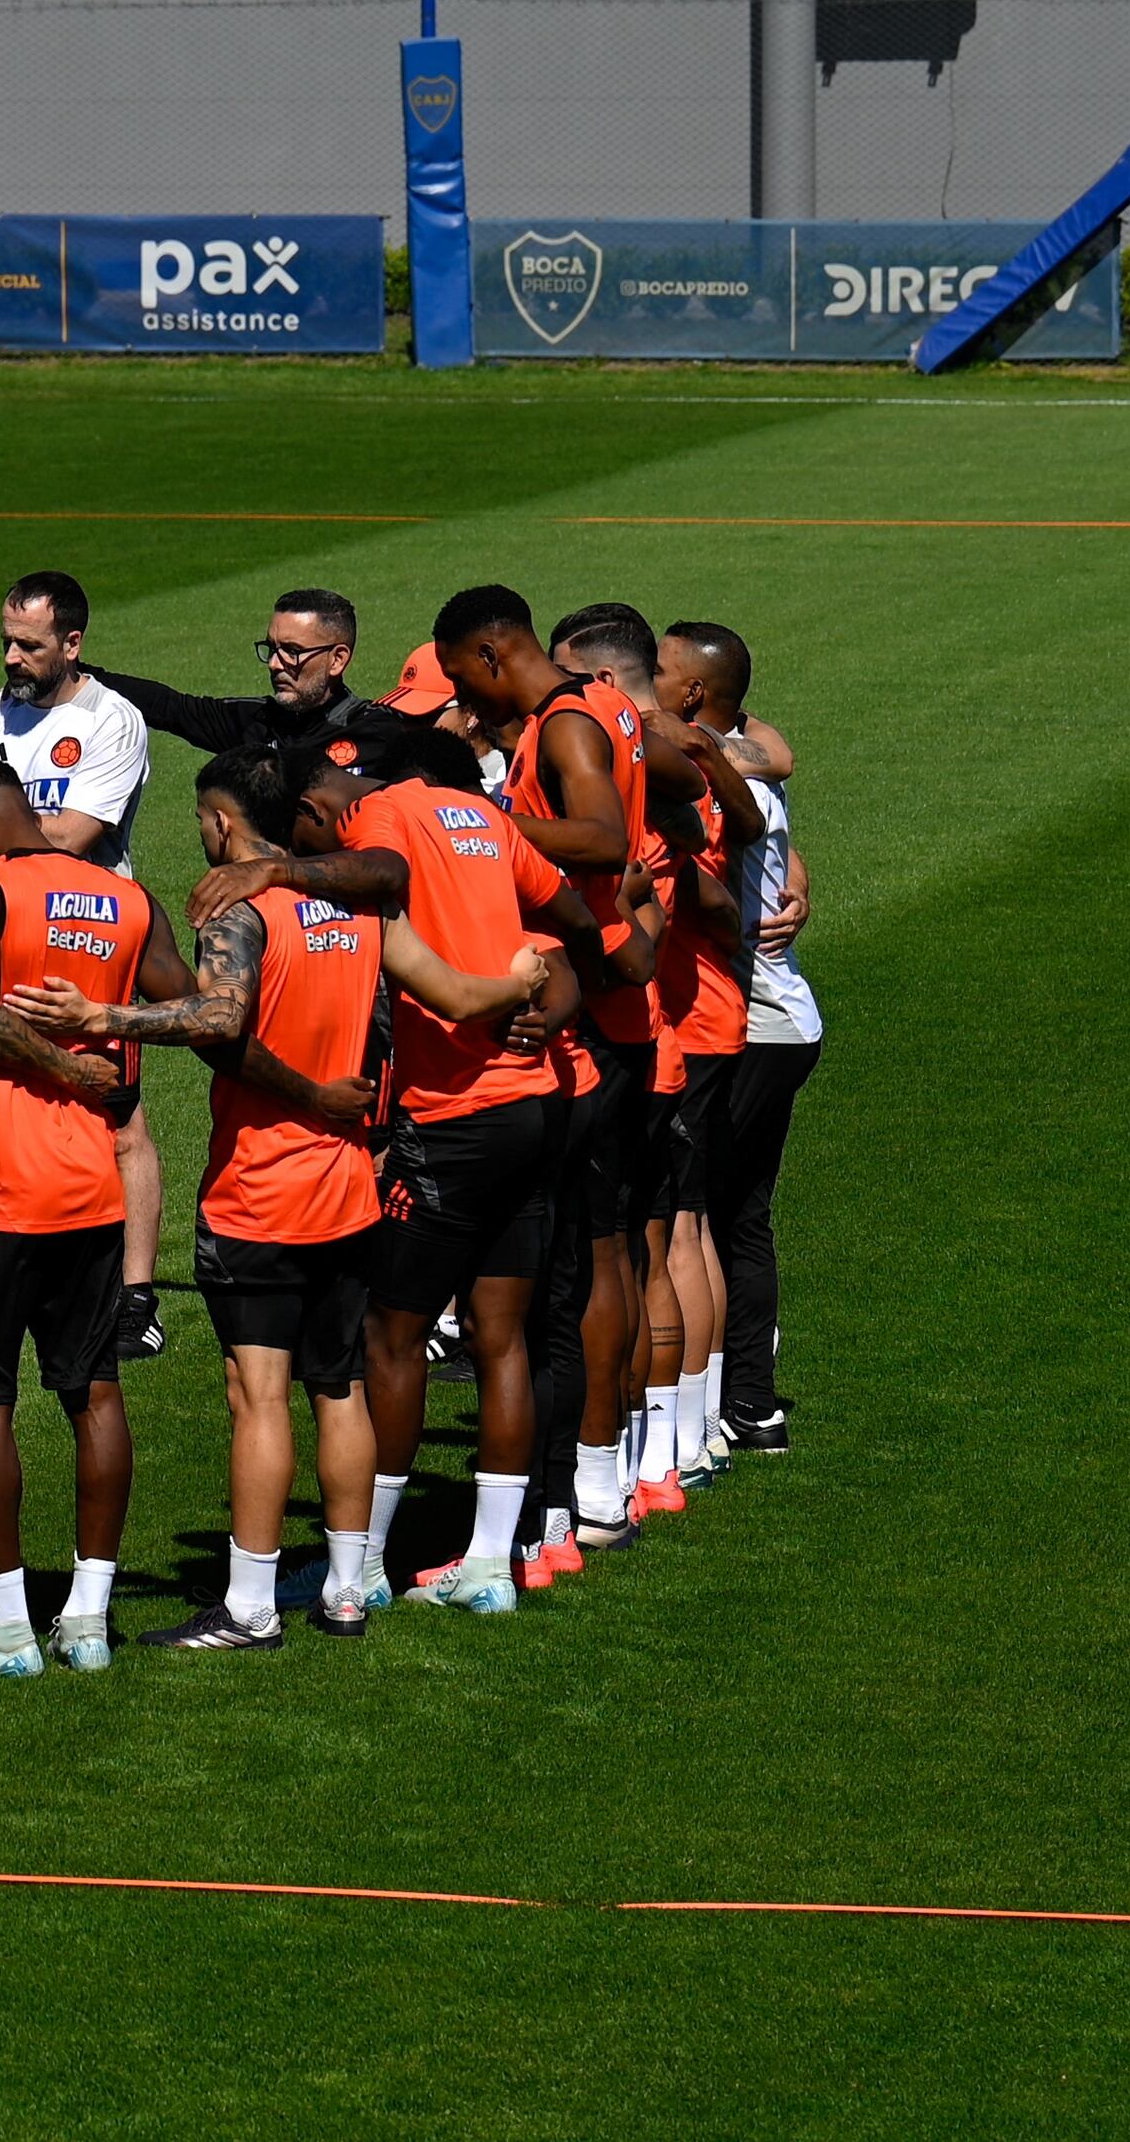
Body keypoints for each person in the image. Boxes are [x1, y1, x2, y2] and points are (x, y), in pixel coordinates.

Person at [35, 746, 550, 1645]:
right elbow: (459, 994)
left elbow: (219, 1018)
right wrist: (522, 981)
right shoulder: (358, 907)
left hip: (261, 1191)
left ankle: (249, 1604)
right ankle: (351, 1589)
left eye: (201, 818)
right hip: (350, 1186)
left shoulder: (242, 909)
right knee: (339, 1384)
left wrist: (102, 1018)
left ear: (225, 822)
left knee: (258, 1394)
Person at [224, 736, 599, 1620]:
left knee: (389, 1338)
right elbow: (570, 916)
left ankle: (371, 1560)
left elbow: (382, 870)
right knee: (499, 1333)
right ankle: (492, 1563)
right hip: (533, 1104)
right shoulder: (482, 813)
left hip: (453, 1112)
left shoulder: (379, 816)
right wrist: (552, 1004)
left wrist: (276, 873)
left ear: (321, 814)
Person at [0, 762, 162, 1678]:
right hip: (93, 1188)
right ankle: (88, 1616)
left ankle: (9, 1627)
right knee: (94, 1392)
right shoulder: (121, 894)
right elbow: (188, 1006)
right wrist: (102, 1033)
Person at [450, 587, 660, 1584]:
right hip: (611, 1002)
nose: (465, 698)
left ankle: (567, 1498)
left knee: (566, 1273)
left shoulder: (567, 720)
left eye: (461, 676)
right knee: (604, 1252)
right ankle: (601, 1481)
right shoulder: (605, 700)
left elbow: (604, 839)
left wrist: (486, 828)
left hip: (587, 1013)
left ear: (493, 654)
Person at [0, 570, 173, 1358]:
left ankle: (135, 1296)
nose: (13, 657)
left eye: (29, 644)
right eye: (6, 642)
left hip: (91, 933)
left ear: (72, 643)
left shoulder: (110, 721)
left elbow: (69, 835)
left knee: (117, 1114)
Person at [664, 621, 817, 1457]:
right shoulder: (739, 750)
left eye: (660, 668)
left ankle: (744, 1402)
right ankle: (741, 1399)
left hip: (761, 1023)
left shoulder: (719, 773)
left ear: (691, 695)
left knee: (720, 1215)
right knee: (728, 1214)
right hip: (779, 1018)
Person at [89, 587, 455, 784]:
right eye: (273, 648)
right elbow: (170, 708)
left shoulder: (379, 731)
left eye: (293, 651)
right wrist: (77, 671)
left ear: (338, 659)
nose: (277, 663)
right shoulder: (253, 721)